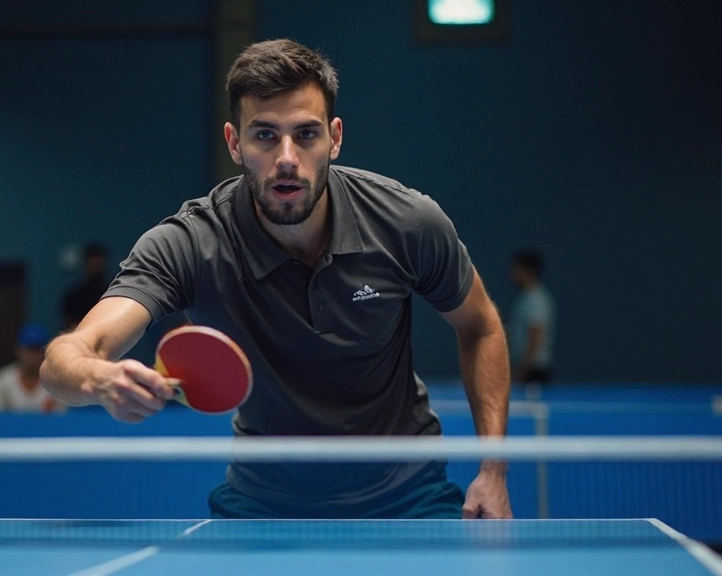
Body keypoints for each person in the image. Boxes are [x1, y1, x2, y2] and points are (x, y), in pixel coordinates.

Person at [41, 39, 512, 520]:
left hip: (408, 497)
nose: (287, 157)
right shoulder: (190, 243)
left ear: (335, 137)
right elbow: (66, 357)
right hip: (265, 505)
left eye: (306, 135)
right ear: (233, 142)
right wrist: (100, 379)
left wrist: (493, 471)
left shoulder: (406, 221)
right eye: (264, 136)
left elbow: (481, 326)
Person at [0, 322, 65, 413]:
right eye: (29, 349)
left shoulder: (57, 381)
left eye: (37, 350)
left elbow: (61, 420)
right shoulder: (3, 379)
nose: (32, 355)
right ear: (18, 350)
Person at [508, 250, 556, 383]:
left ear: (527, 270)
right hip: (527, 369)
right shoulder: (526, 298)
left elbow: (535, 336)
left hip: (533, 371)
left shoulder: (536, 299)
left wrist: (522, 370)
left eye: (516, 269)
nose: (512, 274)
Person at [60, 243, 110, 330]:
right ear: (86, 263)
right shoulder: (74, 295)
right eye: (93, 263)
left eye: (99, 263)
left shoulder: (111, 293)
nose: (96, 267)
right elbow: (68, 323)